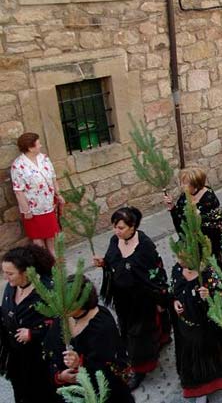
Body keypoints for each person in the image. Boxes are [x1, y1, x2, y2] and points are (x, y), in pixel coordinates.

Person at [94, 206, 170, 389]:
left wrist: (161, 299)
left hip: (142, 300)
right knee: (126, 329)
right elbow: (112, 262)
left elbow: (155, 273)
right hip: (123, 300)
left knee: (139, 334)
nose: (116, 231)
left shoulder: (145, 245)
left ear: (132, 226)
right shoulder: (115, 240)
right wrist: (103, 263)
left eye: (121, 227)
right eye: (115, 227)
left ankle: (140, 368)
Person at [43, 276, 134, 403]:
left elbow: (109, 368)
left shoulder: (101, 325)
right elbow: (50, 351)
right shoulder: (62, 318)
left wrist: (80, 363)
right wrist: (60, 376)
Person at [170, 255, 222, 400]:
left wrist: (209, 295)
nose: (178, 260)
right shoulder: (177, 269)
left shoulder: (208, 272)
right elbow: (173, 291)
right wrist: (175, 303)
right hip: (186, 325)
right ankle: (197, 386)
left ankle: (209, 385)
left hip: (207, 326)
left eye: (182, 257)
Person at [0, 245, 58, 402]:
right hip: (18, 358)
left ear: (26, 272)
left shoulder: (47, 291)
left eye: (10, 273)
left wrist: (34, 333)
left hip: (41, 360)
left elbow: (61, 323)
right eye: (4, 272)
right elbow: (7, 312)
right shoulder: (11, 287)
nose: (6, 277)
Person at [11, 132, 65, 255]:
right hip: (33, 209)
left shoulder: (44, 158)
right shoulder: (18, 165)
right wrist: (27, 211)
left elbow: (53, 177)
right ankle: (44, 265)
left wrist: (58, 194)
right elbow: (18, 191)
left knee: (51, 236)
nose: (40, 145)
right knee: (38, 240)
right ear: (30, 147)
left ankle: (55, 264)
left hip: (48, 205)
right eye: (38, 143)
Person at [165, 167, 222, 261]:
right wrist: (173, 207)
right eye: (181, 182)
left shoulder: (208, 198)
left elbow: (216, 223)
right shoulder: (184, 196)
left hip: (207, 243)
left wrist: (197, 218)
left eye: (185, 183)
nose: (181, 186)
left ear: (195, 184)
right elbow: (181, 220)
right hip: (190, 241)